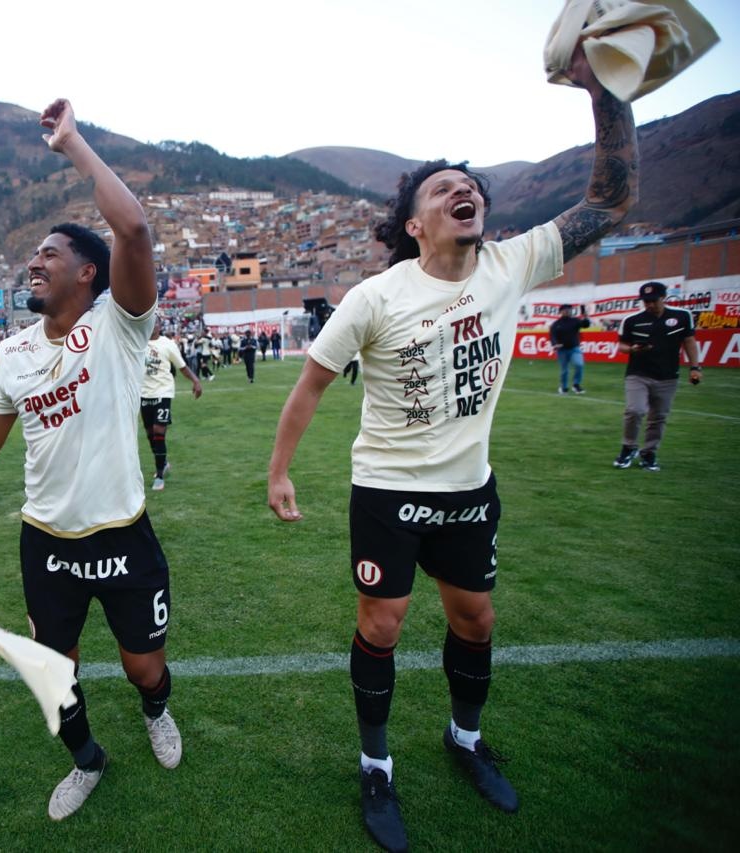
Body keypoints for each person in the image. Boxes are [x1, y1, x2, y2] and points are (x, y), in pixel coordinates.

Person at [267, 48, 638, 853]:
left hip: (470, 489)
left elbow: (611, 201)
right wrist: (280, 470)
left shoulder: (510, 264)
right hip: (388, 489)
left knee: (476, 617)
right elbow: (310, 385)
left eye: (470, 185)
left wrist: (602, 88)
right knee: (386, 621)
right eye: (442, 188)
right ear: (414, 222)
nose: (463, 190)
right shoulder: (375, 296)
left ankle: (464, 740)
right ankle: (376, 764)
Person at [0, 99, 181, 821]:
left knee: (145, 663)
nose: (34, 261)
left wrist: (75, 144)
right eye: (34, 253)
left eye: (49, 253)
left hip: (122, 534)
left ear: (89, 271)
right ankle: (87, 760)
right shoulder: (13, 352)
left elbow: (135, 229)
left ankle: (155, 710)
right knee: (55, 671)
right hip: (45, 540)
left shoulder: (120, 324)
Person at [613, 281, 701, 471]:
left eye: (653, 300)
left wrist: (695, 367)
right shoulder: (632, 320)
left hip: (668, 375)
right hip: (638, 373)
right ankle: (628, 447)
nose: (649, 304)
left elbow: (689, 342)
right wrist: (633, 349)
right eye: (646, 301)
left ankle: (649, 453)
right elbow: (621, 346)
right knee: (634, 410)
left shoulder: (682, 316)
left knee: (658, 416)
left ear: (663, 298)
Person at [141, 322, 203, 491]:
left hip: (163, 393)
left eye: (155, 322)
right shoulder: (138, 342)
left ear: (159, 326)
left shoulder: (167, 344)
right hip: (144, 394)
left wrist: (196, 381)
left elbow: (182, 367)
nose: (152, 325)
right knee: (150, 435)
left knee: (159, 433)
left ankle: (159, 476)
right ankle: (164, 464)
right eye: (149, 321)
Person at [550, 304, 591, 393]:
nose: (568, 311)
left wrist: (585, 315)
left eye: (569, 309)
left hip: (574, 348)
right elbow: (552, 336)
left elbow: (586, 325)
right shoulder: (556, 324)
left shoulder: (575, 321)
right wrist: (555, 344)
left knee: (579, 364)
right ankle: (564, 387)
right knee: (565, 369)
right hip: (562, 350)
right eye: (565, 310)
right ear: (561, 312)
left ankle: (576, 385)